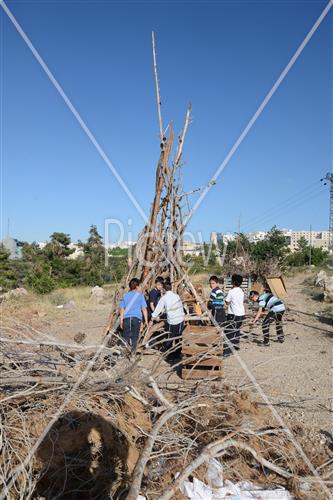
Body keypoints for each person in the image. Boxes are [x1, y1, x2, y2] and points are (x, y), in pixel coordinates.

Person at [150, 281, 185, 360]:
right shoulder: (176, 296)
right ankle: (177, 354)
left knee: (169, 337)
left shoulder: (164, 298)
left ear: (164, 289)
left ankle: (169, 355)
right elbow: (180, 306)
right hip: (180, 318)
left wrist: (153, 317)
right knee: (178, 337)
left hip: (172, 320)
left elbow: (158, 308)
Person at [119, 278, 148, 352]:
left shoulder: (125, 296)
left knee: (125, 336)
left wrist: (121, 320)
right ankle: (133, 353)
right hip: (136, 318)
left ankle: (123, 353)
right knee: (135, 336)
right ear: (137, 287)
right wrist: (146, 321)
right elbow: (144, 309)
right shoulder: (140, 296)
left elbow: (122, 309)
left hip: (126, 318)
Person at [224, 274, 245, 354]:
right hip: (241, 314)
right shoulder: (241, 291)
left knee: (229, 332)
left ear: (233, 282)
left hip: (233, 315)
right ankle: (236, 346)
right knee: (237, 330)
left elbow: (227, 301)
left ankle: (228, 351)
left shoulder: (231, 291)